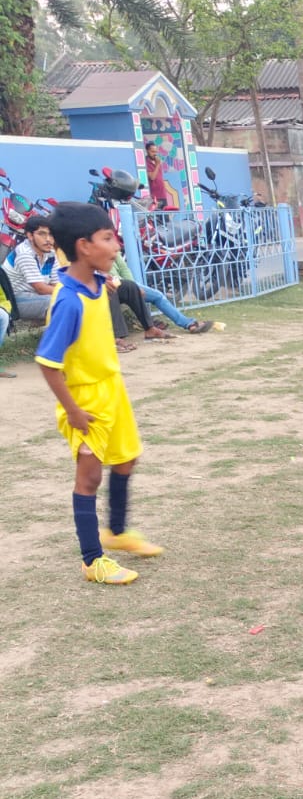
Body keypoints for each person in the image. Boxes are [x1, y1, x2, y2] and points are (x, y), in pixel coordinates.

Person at [35, 202, 163, 586]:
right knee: (89, 478)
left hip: (112, 389)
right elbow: (48, 363)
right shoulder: (68, 301)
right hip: (86, 401)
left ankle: (117, 532)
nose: (116, 246)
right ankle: (93, 560)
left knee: (126, 459)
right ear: (84, 245)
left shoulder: (95, 284)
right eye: (108, 238)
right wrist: (73, 411)